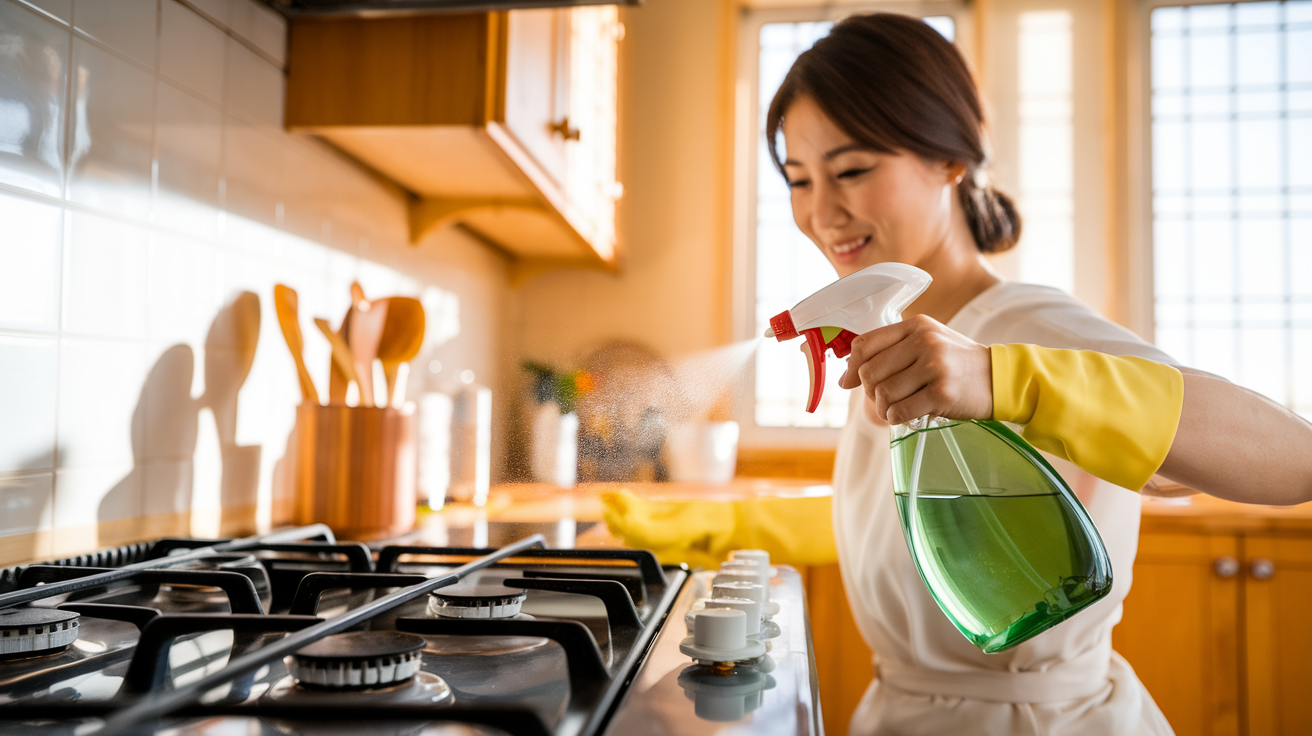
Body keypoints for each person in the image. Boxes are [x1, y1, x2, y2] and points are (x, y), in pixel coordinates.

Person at [767, 12, 1312, 735]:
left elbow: (1296, 461)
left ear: (950, 159)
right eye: (799, 181)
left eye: (853, 170)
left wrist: (1001, 379)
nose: (821, 212)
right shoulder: (896, 342)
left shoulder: (1021, 329)